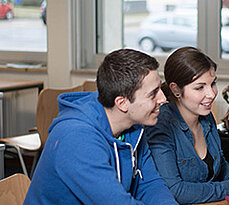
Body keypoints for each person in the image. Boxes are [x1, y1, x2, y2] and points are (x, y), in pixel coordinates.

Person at [24, 49, 178, 204]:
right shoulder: (76, 139)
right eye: (153, 93)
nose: (163, 98)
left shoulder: (134, 125)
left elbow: (151, 185)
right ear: (122, 103)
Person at [144, 47, 229, 204]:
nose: (211, 94)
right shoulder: (161, 125)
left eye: (213, 84)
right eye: (200, 87)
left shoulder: (205, 116)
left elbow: (220, 166)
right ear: (176, 89)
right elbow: (175, 191)